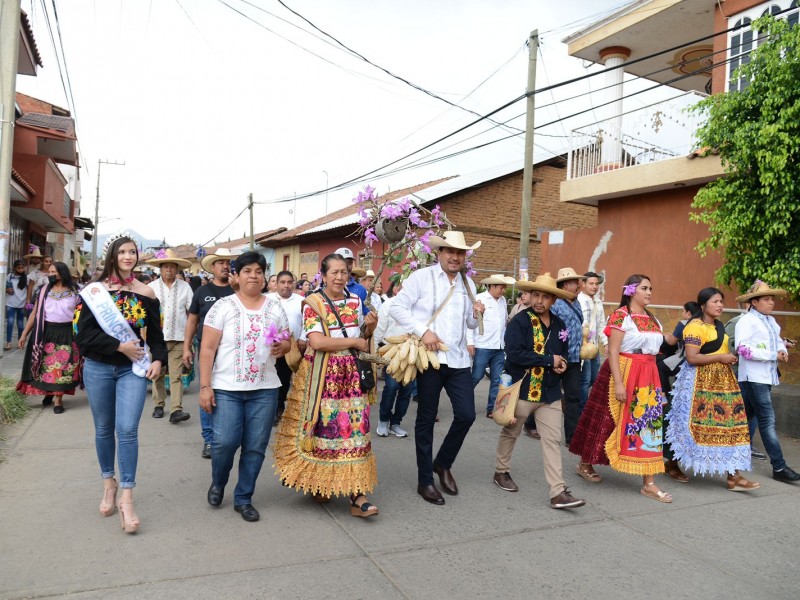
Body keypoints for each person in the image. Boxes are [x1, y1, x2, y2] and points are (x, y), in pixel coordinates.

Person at [274, 253, 380, 518]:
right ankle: (320, 481)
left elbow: (360, 336)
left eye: (344, 272)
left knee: (355, 430)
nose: (340, 277)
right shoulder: (313, 302)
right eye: (334, 272)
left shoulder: (356, 300)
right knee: (323, 428)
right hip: (322, 374)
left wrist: (369, 328)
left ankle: (358, 495)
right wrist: (355, 342)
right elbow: (318, 342)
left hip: (352, 374)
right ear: (323, 275)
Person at [75, 236, 166, 533]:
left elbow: (155, 335)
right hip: (99, 367)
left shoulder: (146, 292)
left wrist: (158, 360)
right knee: (103, 429)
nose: (128, 256)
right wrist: (119, 346)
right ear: (113, 255)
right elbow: (82, 334)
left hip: (133, 371)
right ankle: (108, 484)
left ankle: (127, 498)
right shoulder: (94, 291)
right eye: (123, 252)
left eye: (132, 252)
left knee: (127, 430)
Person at [390, 231, 486, 506]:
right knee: (426, 419)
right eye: (449, 251)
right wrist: (423, 332)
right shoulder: (421, 277)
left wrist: (476, 312)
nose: (455, 257)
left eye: (460, 253)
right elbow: (397, 308)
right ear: (439, 253)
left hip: (457, 360)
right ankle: (425, 481)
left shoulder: (469, 283)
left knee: (467, 415)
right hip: (429, 358)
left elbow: (468, 325)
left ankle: (442, 463)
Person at [200, 252, 290, 522]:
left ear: (264, 277)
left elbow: (287, 342)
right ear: (235, 276)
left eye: (259, 271)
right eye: (247, 270)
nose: (254, 275)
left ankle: (243, 497)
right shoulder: (223, 307)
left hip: (265, 389)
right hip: (227, 388)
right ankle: (219, 481)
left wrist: (281, 346)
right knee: (224, 443)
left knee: (255, 447)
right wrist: (205, 386)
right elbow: (207, 349)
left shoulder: (275, 308)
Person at [569, 274, 671, 503]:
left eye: (651, 288)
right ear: (631, 291)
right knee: (607, 419)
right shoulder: (621, 316)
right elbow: (613, 351)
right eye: (644, 288)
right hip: (623, 371)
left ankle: (649, 482)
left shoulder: (653, 319)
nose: (649, 292)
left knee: (648, 423)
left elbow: (656, 351)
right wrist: (619, 383)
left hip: (648, 375)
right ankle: (585, 462)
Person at [493, 274, 585, 509]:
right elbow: (514, 354)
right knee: (511, 432)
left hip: (551, 393)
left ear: (553, 300)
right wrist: (548, 359)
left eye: (545, 296)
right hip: (522, 389)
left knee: (553, 440)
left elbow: (560, 354)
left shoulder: (560, 325)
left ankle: (558, 492)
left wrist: (560, 364)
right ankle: (501, 471)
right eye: (536, 295)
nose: (539, 300)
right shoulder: (520, 322)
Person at [664, 287, 759, 491]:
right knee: (686, 425)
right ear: (702, 305)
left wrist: (730, 356)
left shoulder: (719, 327)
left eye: (721, 302)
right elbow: (692, 357)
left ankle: (734, 476)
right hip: (698, 383)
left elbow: (720, 350)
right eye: (715, 301)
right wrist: (720, 358)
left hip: (723, 383)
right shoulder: (694, 327)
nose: (720, 305)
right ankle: (672, 462)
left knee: (731, 426)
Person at [735, 280, 800, 484]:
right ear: (754, 302)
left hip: (766, 376)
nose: (771, 302)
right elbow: (743, 349)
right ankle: (779, 466)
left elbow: (777, 340)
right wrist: (773, 354)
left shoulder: (771, 321)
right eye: (766, 299)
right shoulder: (746, 322)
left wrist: (781, 349)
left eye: (772, 299)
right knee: (767, 420)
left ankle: (729, 454)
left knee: (745, 417)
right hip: (754, 377)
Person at [183, 248, 237, 458]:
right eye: (220, 262)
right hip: (206, 350)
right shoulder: (202, 292)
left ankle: (228, 437)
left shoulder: (237, 290)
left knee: (230, 393)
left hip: (233, 351)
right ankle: (209, 439)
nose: (225, 266)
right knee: (207, 390)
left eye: (227, 262)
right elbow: (192, 320)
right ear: (212, 268)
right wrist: (187, 347)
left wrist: (238, 288)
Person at [528, 267, 584, 445]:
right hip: (556, 357)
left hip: (574, 358)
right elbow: (550, 329)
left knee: (573, 396)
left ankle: (572, 436)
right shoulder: (557, 305)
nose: (579, 285)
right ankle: (529, 423)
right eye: (577, 282)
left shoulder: (577, 303)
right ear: (567, 284)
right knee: (544, 391)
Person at [16, 261, 81, 413]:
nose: (50, 275)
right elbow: (34, 313)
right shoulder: (43, 290)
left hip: (67, 333)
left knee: (63, 368)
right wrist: (24, 334)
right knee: (45, 365)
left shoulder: (76, 291)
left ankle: (58, 400)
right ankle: (48, 393)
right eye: (49, 272)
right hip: (45, 332)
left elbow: (82, 314)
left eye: (54, 272)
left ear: (62, 273)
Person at [147, 250, 193, 423]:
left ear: (177, 269)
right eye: (165, 266)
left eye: (172, 267)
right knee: (158, 373)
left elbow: (192, 312)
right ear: (160, 268)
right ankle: (159, 404)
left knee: (176, 375)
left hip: (179, 337)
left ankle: (176, 410)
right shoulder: (151, 288)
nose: (169, 270)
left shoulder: (185, 287)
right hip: (157, 339)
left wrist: (190, 340)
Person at [468, 274, 514, 418]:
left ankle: (491, 409)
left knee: (496, 379)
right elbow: (470, 323)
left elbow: (504, 322)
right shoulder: (479, 299)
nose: (503, 290)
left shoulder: (503, 301)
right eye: (501, 287)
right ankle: (463, 401)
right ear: (492, 286)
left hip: (499, 347)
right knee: (476, 376)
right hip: (483, 345)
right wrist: (470, 342)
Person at [374, 277, 412, 438]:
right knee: (391, 387)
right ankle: (383, 420)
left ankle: (396, 423)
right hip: (390, 350)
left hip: (411, 351)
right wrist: (374, 352)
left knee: (407, 389)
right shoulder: (388, 305)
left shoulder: (416, 306)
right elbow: (379, 329)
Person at [266, 270, 306, 423]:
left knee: (284, 377)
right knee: (270, 375)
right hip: (269, 345)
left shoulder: (301, 300)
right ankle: (273, 408)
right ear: (276, 284)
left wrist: (303, 339)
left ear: (294, 284)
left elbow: (307, 323)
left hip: (292, 346)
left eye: (289, 282)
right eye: (282, 282)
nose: (286, 286)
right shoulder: (266, 299)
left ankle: (280, 403)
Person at [577, 272, 607, 410]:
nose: (594, 286)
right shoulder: (578, 300)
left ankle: (575, 399)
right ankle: (582, 409)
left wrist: (606, 343)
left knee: (595, 378)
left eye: (596, 284)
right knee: (585, 379)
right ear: (583, 284)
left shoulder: (598, 302)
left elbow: (601, 325)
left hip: (594, 347)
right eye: (591, 283)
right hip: (582, 347)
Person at [334, 247, 368, 313]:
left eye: (349, 263)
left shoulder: (361, 290)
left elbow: (365, 314)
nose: (346, 266)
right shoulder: (327, 289)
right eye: (343, 262)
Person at [6, 259, 28, 350]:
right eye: (18, 268)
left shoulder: (27, 278)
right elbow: (4, 286)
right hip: (10, 303)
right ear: (15, 268)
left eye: (22, 268)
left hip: (22, 304)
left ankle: (20, 342)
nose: (20, 270)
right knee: (10, 322)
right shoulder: (9, 276)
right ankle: (8, 342)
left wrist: (28, 303)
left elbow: (30, 290)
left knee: (20, 324)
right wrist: (6, 289)